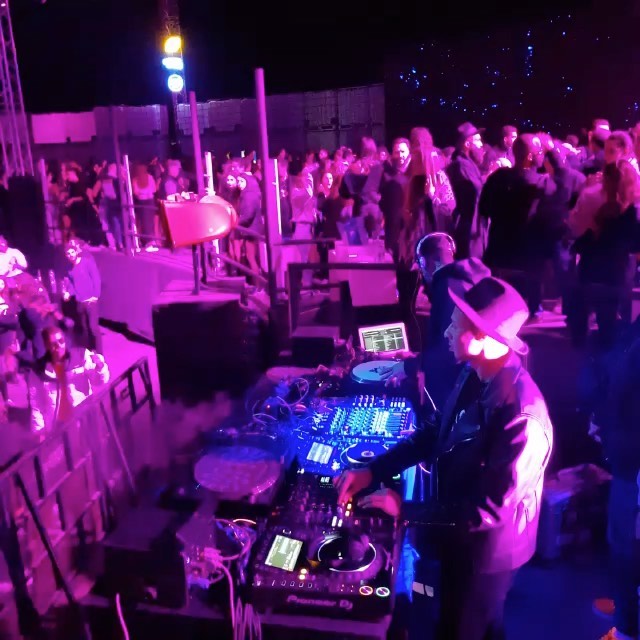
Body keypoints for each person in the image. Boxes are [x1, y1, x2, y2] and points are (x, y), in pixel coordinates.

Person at [336, 277, 553, 640]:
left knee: (463, 628)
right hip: (460, 535)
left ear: (483, 339)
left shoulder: (521, 416)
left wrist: (404, 510)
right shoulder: (477, 372)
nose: (447, 333)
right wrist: (373, 471)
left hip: (485, 554)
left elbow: (487, 510)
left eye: (456, 326)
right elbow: (435, 431)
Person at [28, 326, 109, 433]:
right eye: (53, 344)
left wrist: (100, 367)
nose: (58, 346)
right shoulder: (37, 371)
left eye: (61, 341)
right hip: (58, 426)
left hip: (85, 417)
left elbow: (99, 381)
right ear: (46, 346)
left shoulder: (81, 355)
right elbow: (36, 403)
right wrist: (39, 431)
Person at [62, 240, 103, 354]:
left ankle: (100, 354)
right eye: (68, 254)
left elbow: (96, 279)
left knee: (93, 328)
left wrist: (96, 296)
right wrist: (68, 293)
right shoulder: (70, 269)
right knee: (85, 329)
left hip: (91, 302)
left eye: (72, 252)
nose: (70, 255)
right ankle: (91, 352)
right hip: (80, 303)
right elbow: (72, 285)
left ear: (76, 252)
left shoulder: (87, 262)